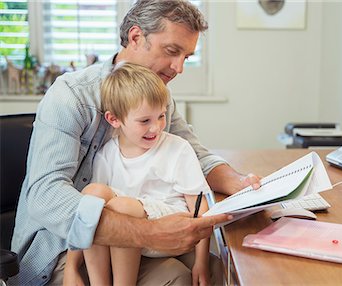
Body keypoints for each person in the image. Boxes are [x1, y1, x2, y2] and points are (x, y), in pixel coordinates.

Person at [11, 0, 261, 285]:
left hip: (132, 235)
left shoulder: (158, 98)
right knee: (176, 276)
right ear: (135, 37)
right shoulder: (71, 97)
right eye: (172, 51)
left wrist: (241, 184)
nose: (179, 67)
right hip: (60, 248)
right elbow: (46, 197)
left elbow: (195, 155)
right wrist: (149, 233)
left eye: (187, 57)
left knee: (221, 268)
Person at [64, 62, 213, 285]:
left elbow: (199, 209)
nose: (156, 128)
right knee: (93, 194)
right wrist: (72, 267)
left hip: (168, 228)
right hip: (128, 230)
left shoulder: (177, 148)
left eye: (161, 116)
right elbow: (86, 213)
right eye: (145, 121)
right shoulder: (107, 154)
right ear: (114, 119)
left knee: (121, 207)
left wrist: (201, 262)